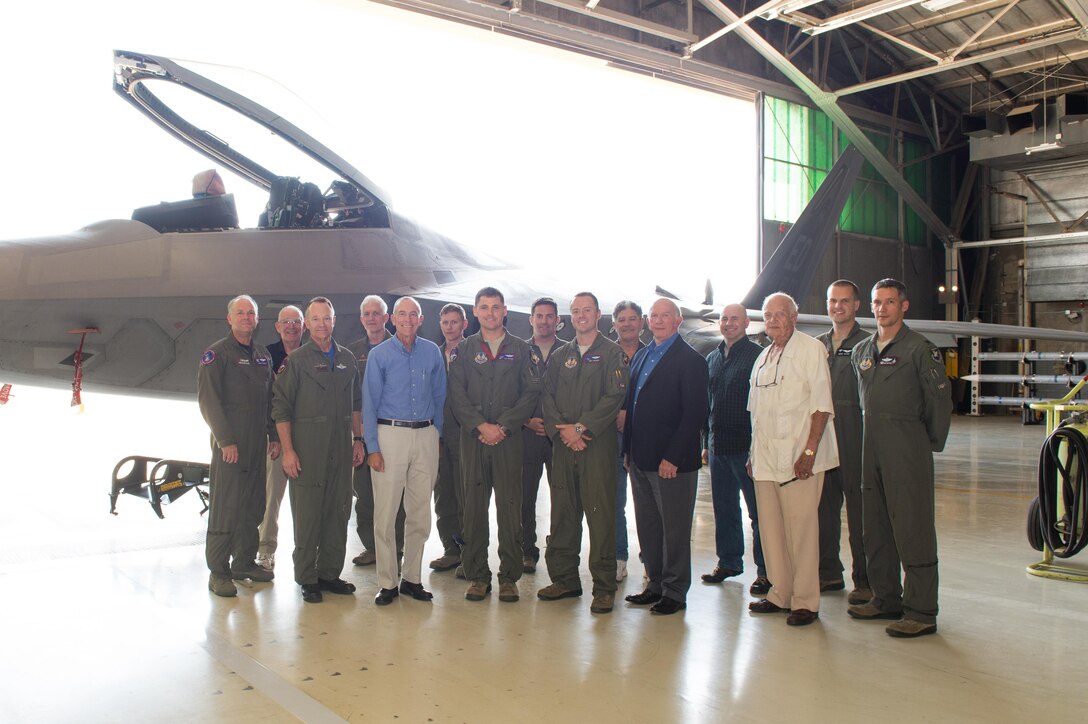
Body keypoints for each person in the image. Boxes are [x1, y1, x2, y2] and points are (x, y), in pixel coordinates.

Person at [848, 279, 952, 638]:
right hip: (870, 447)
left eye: (890, 302)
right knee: (874, 525)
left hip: (906, 448)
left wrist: (927, 443)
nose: (882, 309)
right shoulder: (862, 350)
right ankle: (886, 597)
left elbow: (938, 402)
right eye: (877, 302)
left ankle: (921, 610)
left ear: (903, 306)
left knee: (913, 527)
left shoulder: (920, 349)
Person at [747, 292, 837, 627]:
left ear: (794, 317)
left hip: (801, 460)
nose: (772, 320)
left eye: (779, 314)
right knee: (771, 531)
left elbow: (821, 406)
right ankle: (780, 593)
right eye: (768, 315)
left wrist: (810, 451)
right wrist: (754, 455)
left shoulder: (811, 350)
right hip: (766, 461)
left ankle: (805, 601)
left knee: (801, 531)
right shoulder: (764, 357)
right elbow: (756, 414)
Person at [447, 288, 541, 603]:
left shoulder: (521, 349)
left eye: (496, 307)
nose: (490, 313)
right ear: (475, 311)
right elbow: (456, 394)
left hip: (509, 441)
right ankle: (477, 576)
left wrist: (503, 426)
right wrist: (480, 426)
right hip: (473, 441)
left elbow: (530, 393)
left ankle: (509, 578)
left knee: (510, 509)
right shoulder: (463, 350)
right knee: (473, 509)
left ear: (504, 312)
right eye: (484, 307)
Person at [538, 292, 628, 614]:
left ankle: (603, 588)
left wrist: (580, 429)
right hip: (563, 448)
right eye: (575, 311)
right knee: (563, 513)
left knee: (600, 515)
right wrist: (562, 431)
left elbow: (613, 397)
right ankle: (565, 579)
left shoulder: (612, 353)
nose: (580, 315)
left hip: (596, 447)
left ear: (598, 314)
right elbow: (547, 397)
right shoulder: (561, 355)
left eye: (586, 310)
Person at [272, 297, 364, 603]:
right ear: (307, 324)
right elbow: (281, 409)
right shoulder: (296, 361)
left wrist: (359, 440)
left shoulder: (348, 359)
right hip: (308, 449)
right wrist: (288, 451)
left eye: (327, 318)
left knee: (338, 511)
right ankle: (307, 578)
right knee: (308, 513)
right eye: (316, 319)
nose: (322, 324)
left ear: (334, 321)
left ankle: (329, 573)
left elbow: (356, 405)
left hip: (341, 447)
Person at [622, 299, 708, 615]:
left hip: (672, 464)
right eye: (654, 316)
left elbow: (695, 413)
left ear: (678, 320)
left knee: (674, 529)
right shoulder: (642, 356)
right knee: (649, 526)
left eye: (665, 316)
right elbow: (632, 408)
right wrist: (627, 449)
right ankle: (655, 583)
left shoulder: (691, 361)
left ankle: (674, 591)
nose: (658, 321)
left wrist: (672, 456)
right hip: (640, 460)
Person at [364, 296, 447, 606]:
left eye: (414, 314)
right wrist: (372, 446)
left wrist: (436, 433)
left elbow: (440, 395)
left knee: (420, 513)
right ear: (392, 319)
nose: (408, 319)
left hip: (425, 435)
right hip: (390, 435)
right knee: (385, 514)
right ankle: (387, 582)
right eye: (402, 314)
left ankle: (412, 578)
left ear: (421, 319)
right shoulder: (379, 355)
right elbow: (369, 403)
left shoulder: (432, 352)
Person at [198, 295, 279, 597]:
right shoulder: (216, 355)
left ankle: (244, 562)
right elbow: (208, 401)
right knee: (226, 508)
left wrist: (272, 434)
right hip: (230, 445)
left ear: (257, 320)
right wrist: (225, 440)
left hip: (257, 442)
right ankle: (218, 572)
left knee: (253, 503)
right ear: (229, 318)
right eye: (240, 313)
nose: (246, 317)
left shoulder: (262, 355)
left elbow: (270, 397)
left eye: (251, 313)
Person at [701, 303, 769, 596]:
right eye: (724, 319)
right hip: (718, 447)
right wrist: (706, 444)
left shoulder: (757, 357)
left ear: (747, 323)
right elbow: (708, 404)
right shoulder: (712, 359)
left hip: (746, 448)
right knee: (724, 509)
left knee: (758, 513)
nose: (729, 323)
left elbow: (763, 407)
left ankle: (766, 571)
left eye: (734, 319)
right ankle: (728, 562)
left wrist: (758, 448)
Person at [815, 280, 871, 604]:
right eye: (833, 300)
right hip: (824, 437)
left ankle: (865, 580)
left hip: (856, 438)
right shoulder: (817, 346)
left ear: (856, 304)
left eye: (844, 301)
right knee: (823, 511)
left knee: (861, 515)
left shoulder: (868, 343)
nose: (838, 306)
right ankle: (828, 573)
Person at [347, 295, 404, 568]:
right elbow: (352, 399)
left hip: (393, 431)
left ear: (386, 318)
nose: (371, 318)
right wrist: (357, 437)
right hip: (363, 433)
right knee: (365, 495)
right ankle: (371, 547)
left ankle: (396, 548)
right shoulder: (352, 352)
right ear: (362, 319)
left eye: (376, 313)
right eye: (367, 313)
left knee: (396, 495)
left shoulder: (401, 346)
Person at [256, 304, 304, 571]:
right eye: (286, 322)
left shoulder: (313, 354)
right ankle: (265, 550)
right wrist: (274, 436)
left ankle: (309, 553)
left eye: (296, 321)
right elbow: (265, 399)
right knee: (271, 497)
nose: (291, 326)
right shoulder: (266, 355)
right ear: (277, 327)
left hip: (307, 435)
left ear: (303, 326)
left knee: (307, 501)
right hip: (277, 437)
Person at [520, 297, 563, 573]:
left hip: (559, 437)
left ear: (558, 320)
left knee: (562, 497)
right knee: (524, 496)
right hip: (526, 435)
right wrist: (525, 420)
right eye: (539, 316)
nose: (544, 321)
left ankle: (558, 548)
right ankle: (527, 550)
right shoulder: (519, 351)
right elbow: (508, 392)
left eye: (549, 316)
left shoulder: (570, 352)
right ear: (531, 319)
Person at [431, 303, 469, 574]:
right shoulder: (433, 354)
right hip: (439, 434)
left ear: (464, 324)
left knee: (468, 495)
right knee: (444, 495)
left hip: (466, 433)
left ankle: (470, 552)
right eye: (445, 322)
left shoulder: (473, 352)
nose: (449, 327)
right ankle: (451, 549)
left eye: (454, 322)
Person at [612, 300, 645, 582]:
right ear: (614, 324)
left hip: (645, 439)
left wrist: (630, 415)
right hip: (611, 439)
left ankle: (651, 560)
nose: (627, 324)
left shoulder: (653, 354)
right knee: (614, 502)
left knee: (648, 504)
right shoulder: (606, 354)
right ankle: (618, 557)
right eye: (621, 319)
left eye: (632, 319)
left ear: (641, 322)